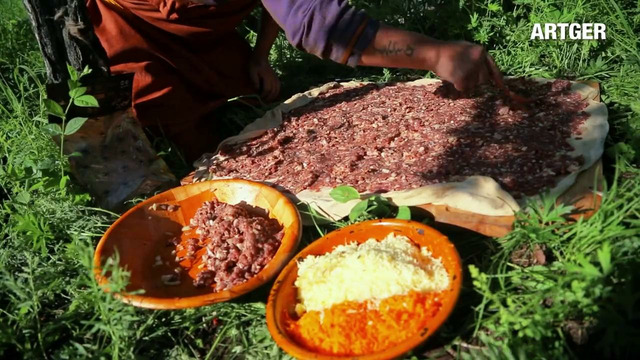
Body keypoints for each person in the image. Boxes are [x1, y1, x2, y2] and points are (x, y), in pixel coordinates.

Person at [86, 0, 504, 161]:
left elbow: (287, 5)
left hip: (206, 25)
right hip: (135, 25)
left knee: (246, 93)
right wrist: (433, 53)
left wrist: (260, 56)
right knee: (180, 133)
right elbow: (316, 23)